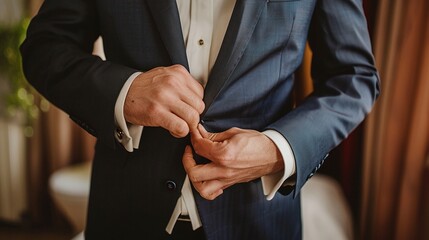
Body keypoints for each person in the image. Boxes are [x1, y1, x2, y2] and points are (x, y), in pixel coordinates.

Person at [21, 0, 380, 239]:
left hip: (256, 220)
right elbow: (44, 47)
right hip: (125, 213)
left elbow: (353, 77)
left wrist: (277, 150)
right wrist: (125, 92)